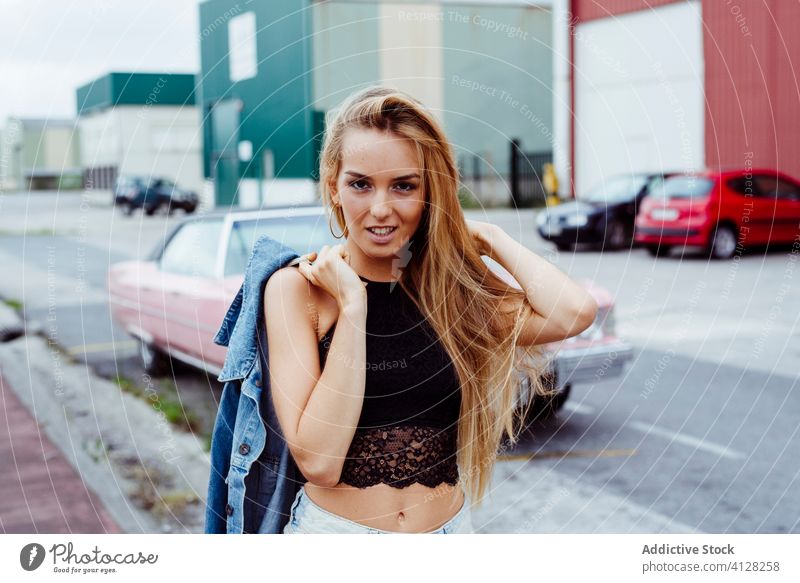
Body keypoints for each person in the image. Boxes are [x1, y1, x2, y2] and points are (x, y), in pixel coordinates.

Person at [263, 85, 598, 534]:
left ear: (430, 193)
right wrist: (353, 305)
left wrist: (489, 238)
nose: (380, 209)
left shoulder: (450, 293)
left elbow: (572, 314)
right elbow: (319, 462)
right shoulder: (297, 291)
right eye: (360, 184)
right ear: (334, 188)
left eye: (404, 186)